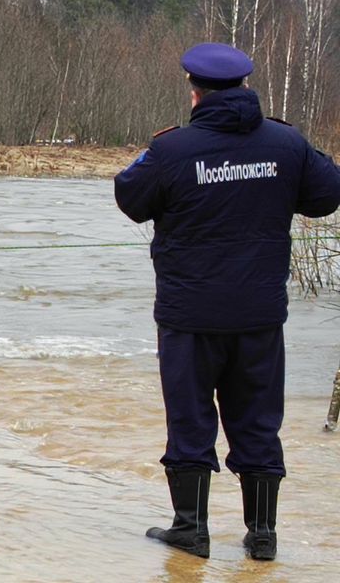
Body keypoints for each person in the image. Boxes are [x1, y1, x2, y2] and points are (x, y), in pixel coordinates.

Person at [114, 42, 340, 561]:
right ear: (245, 86)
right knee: (258, 421)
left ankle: (191, 531)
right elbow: (327, 195)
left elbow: (131, 198)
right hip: (259, 316)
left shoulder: (172, 149)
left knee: (191, 420)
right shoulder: (286, 143)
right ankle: (262, 538)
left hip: (189, 316)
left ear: (194, 91)